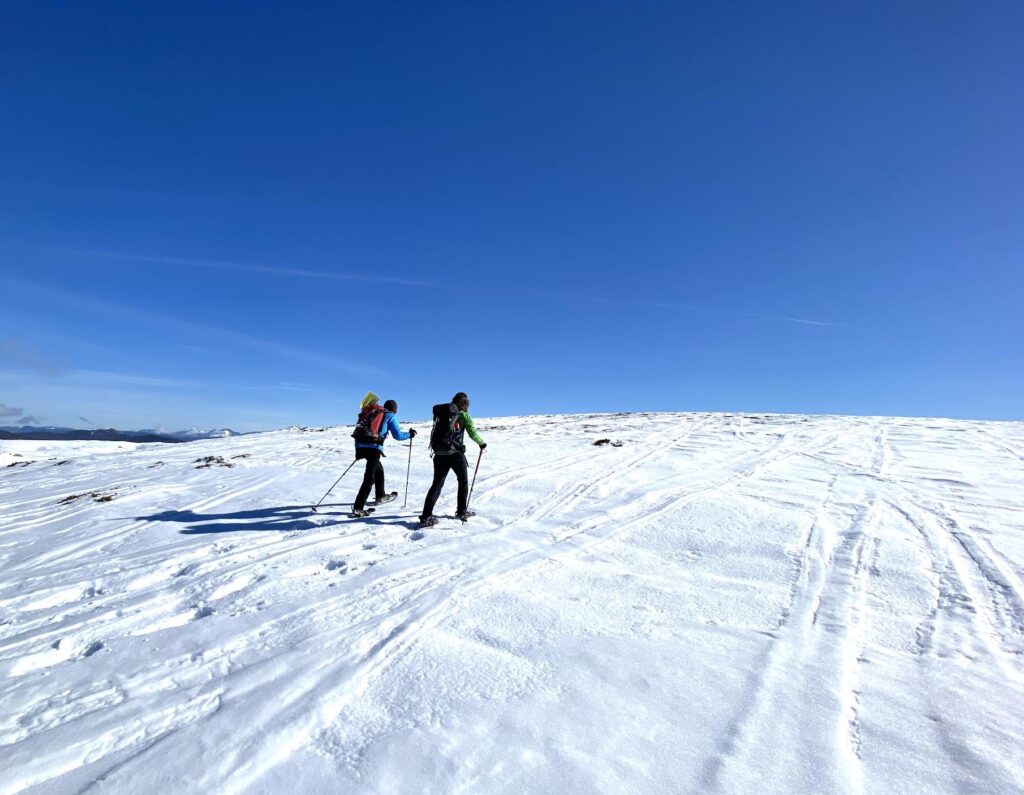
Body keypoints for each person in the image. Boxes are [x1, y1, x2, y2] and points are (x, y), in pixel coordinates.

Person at [419, 391, 486, 527]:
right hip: (455, 454)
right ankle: (461, 511)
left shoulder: (441, 413)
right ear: (465, 405)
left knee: (437, 483)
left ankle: (426, 516)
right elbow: (472, 432)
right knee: (463, 482)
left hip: (439, 453)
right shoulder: (463, 415)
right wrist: (481, 443)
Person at [351, 398, 416, 518]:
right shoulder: (390, 416)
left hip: (361, 446)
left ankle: (380, 495)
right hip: (374, 448)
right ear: (394, 409)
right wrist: (410, 435)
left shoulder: (371, 413)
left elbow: (359, 430)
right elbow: (398, 435)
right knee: (369, 478)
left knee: (378, 470)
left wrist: (358, 449)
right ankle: (358, 508)